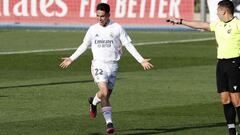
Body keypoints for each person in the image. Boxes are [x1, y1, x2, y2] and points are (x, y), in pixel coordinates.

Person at [59, 3, 153, 134]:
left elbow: (128, 45)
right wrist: (71, 58)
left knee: (105, 95)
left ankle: (93, 102)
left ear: (108, 15)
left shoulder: (117, 28)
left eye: (102, 16)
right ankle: (109, 123)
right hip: (98, 64)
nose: (99, 19)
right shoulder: (92, 29)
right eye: (97, 16)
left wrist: (141, 60)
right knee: (103, 91)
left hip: (113, 65)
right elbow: (84, 45)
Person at [166, 0, 240, 135]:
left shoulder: (238, 24)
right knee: (225, 99)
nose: (216, 12)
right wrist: (180, 21)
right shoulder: (218, 25)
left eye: (218, 10)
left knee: (237, 100)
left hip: (235, 63)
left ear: (224, 11)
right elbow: (201, 25)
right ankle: (231, 130)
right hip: (221, 65)